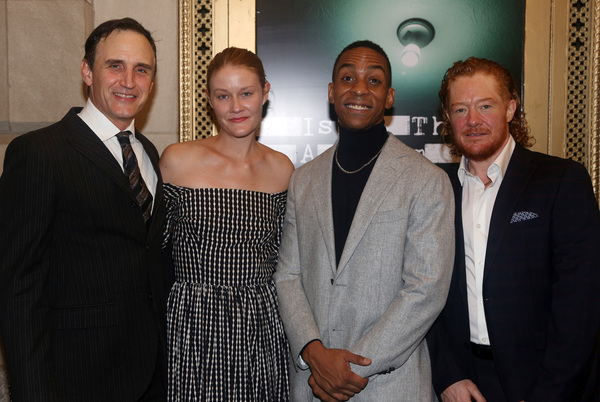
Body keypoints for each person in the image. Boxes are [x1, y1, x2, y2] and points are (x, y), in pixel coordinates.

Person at [274, 40, 455, 401]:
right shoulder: (303, 178)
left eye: (373, 81)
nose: (358, 88)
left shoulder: (426, 179)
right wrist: (313, 351)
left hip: (389, 385)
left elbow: (426, 289)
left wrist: (349, 368)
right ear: (331, 91)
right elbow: (287, 274)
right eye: (347, 77)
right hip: (313, 383)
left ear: (389, 97)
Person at [0, 18, 168, 401]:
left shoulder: (149, 155)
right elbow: (18, 290)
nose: (129, 80)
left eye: (141, 69)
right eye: (115, 66)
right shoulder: (40, 153)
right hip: (75, 380)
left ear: (152, 82)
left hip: (151, 379)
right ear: (87, 71)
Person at [427, 57, 600, 402]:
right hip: (462, 385)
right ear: (448, 119)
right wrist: (447, 375)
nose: (473, 120)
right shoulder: (435, 188)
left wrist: (547, 394)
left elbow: (581, 303)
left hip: (544, 383)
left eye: (485, 106)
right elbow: (422, 290)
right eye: (460, 110)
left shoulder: (561, 180)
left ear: (510, 108)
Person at [159, 47, 294, 401]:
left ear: (265, 93)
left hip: (260, 326)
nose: (236, 107)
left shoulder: (283, 170)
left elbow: (289, 263)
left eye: (246, 93)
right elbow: (153, 252)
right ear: (209, 100)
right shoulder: (177, 160)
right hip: (191, 325)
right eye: (223, 96)